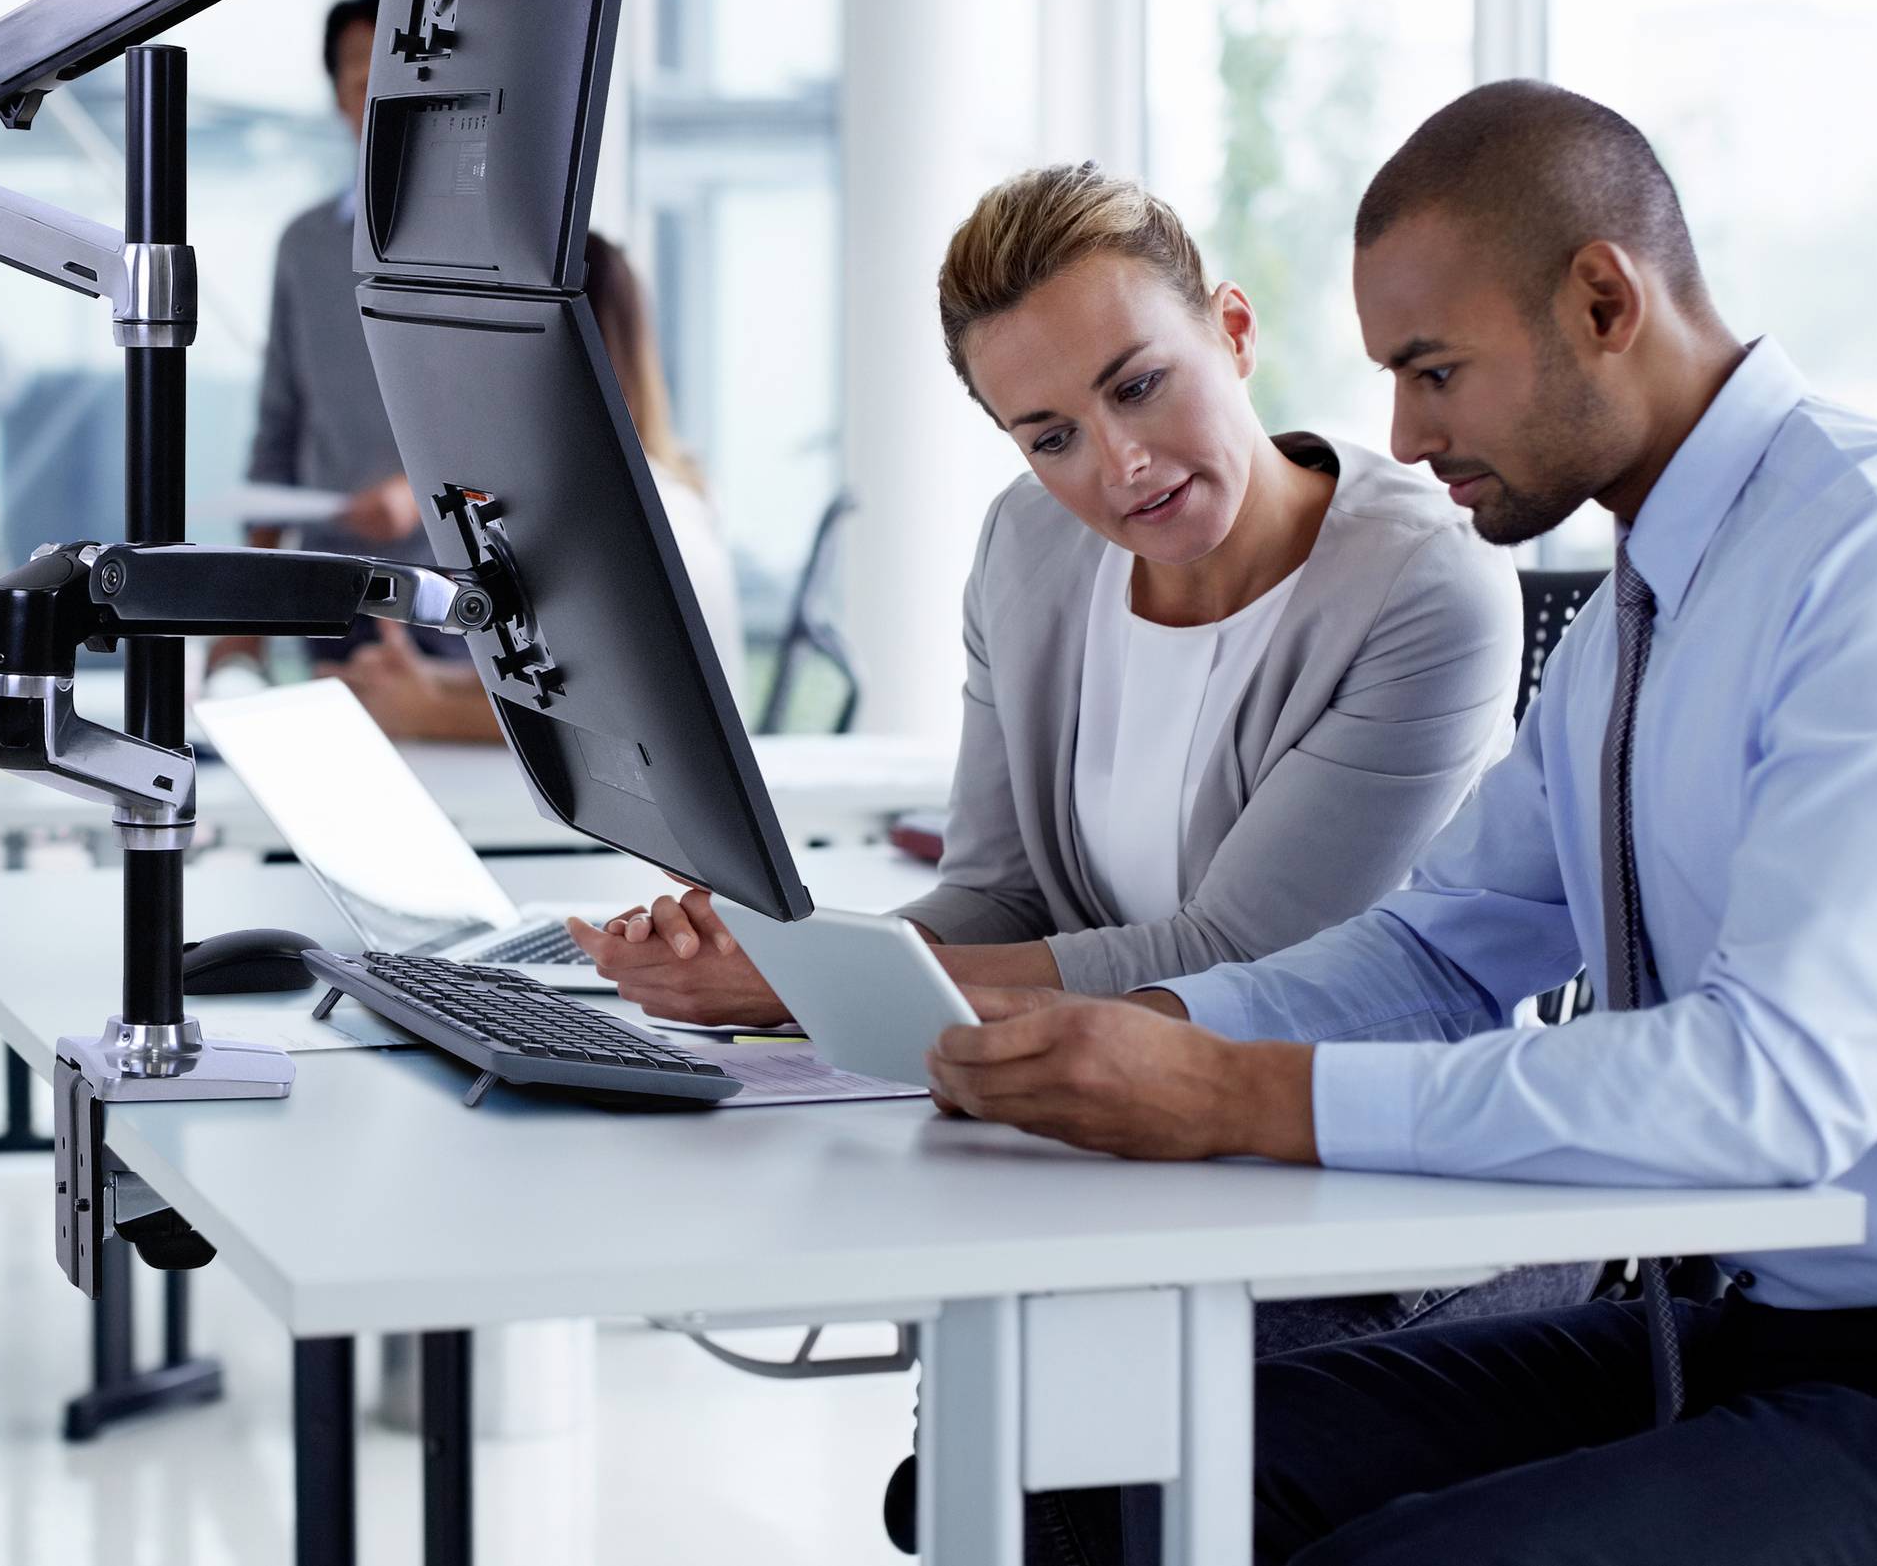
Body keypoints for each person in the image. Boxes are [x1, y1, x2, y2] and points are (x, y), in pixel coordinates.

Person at [923, 83, 1877, 1563]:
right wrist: (1147, 1033)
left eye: (1435, 369)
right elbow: (1438, 955)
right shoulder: (1651, 606)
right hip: (1754, 1327)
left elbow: (1780, 1086)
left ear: (1602, 299)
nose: (1402, 429)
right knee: (1100, 1484)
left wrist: (1242, 1095)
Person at [572, 163, 1522, 1026]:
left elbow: (1238, 958)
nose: (1123, 464)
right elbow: (993, 899)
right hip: (1104, 1108)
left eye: (1140, 385)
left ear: (1234, 331)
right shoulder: (1028, 545)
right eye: (1052, 438)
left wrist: (801, 981)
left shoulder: (1426, 590)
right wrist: (780, 958)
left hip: (1348, 1133)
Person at [339, 230, 745, 742]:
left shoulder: (635, 521)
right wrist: (429, 683)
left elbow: (614, 725)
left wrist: (425, 712)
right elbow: (571, 677)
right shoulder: (626, 492)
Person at [210, 0, 418, 681]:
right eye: (357, 70)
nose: (372, 85)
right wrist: (245, 621)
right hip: (334, 591)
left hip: (463, 590)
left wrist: (419, 495)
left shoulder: (488, 244)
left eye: (391, 63)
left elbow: (520, 426)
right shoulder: (305, 245)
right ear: (336, 94)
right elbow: (279, 430)